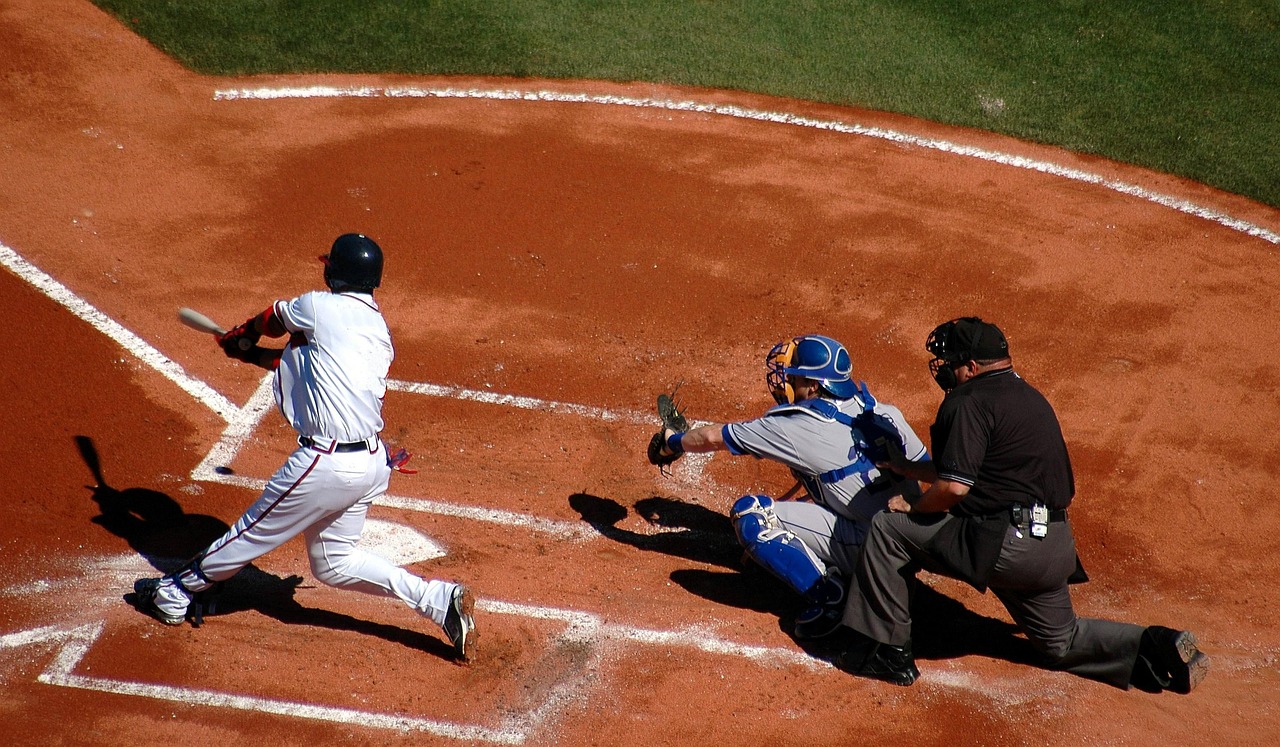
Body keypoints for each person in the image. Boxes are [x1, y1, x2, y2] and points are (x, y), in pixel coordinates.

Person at [131, 233, 476, 662]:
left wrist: (241, 335)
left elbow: (274, 319)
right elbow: (303, 367)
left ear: (335, 273)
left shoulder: (318, 307)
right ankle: (438, 600)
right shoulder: (375, 328)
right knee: (334, 563)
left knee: (250, 533)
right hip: (371, 462)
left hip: (326, 463)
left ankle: (174, 594)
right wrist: (249, 355)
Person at [830, 316, 1209, 691]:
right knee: (1060, 643)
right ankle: (1156, 645)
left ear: (971, 367)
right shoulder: (1029, 397)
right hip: (1052, 548)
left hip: (1003, 546)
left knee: (888, 529)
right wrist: (907, 467)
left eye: (951, 363)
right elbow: (979, 471)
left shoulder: (967, 401)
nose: (945, 370)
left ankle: (886, 653)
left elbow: (954, 488)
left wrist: (913, 508)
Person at [650, 334, 929, 639]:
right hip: (915, 538)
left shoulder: (794, 426)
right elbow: (929, 469)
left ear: (814, 386)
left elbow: (712, 437)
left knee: (751, 515)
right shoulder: (885, 412)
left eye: (794, 378)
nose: (786, 384)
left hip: (876, 551)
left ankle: (832, 599)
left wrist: (671, 442)